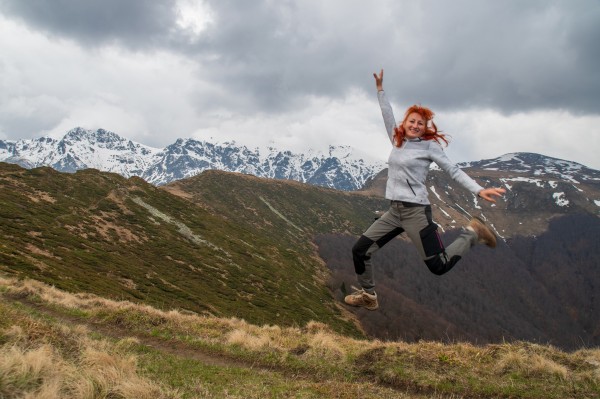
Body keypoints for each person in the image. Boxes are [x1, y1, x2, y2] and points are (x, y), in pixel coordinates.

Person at [345, 69, 506, 311]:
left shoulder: (430, 148)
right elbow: (386, 114)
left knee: (438, 266)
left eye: (420, 123)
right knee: (360, 250)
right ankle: (368, 295)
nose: (415, 125)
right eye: (412, 121)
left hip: (415, 213)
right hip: (394, 212)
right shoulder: (397, 140)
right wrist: (380, 89)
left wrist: (478, 190)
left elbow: (452, 170)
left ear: (424, 127)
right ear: (405, 123)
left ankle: (472, 234)